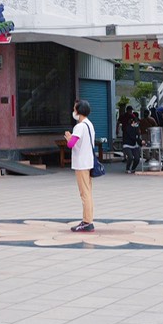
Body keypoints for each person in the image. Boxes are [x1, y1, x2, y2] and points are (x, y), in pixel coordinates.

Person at [67, 100, 96, 233]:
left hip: (81, 164)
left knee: (84, 193)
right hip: (88, 162)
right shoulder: (89, 125)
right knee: (88, 192)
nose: (73, 111)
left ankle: (87, 221)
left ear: (79, 111)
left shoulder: (79, 127)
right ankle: (88, 219)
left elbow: (71, 144)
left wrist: (68, 137)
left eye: (75, 109)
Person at [121, 108, 142, 174]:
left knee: (137, 159)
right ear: (133, 122)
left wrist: (141, 143)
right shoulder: (128, 128)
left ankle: (133, 169)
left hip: (134, 146)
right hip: (127, 145)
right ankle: (127, 168)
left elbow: (138, 137)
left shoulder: (137, 128)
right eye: (136, 123)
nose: (137, 124)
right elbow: (133, 137)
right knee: (130, 157)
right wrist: (140, 141)